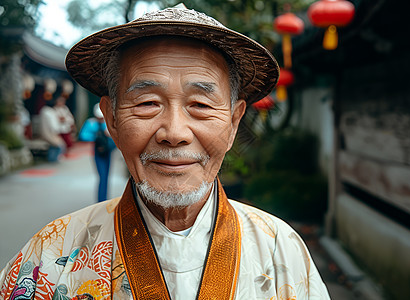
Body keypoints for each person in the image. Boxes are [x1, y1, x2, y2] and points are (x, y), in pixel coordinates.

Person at [0, 5, 330, 299]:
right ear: (112, 119)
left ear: (233, 122)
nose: (174, 133)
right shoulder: (49, 257)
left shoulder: (280, 250)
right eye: (147, 103)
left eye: (200, 105)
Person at [79, 103, 116, 202]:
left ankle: (104, 198)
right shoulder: (91, 123)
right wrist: (97, 136)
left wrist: (109, 135)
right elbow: (83, 135)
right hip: (98, 152)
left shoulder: (109, 123)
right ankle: (101, 200)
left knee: (106, 176)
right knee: (102, 176)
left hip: (108, 151)